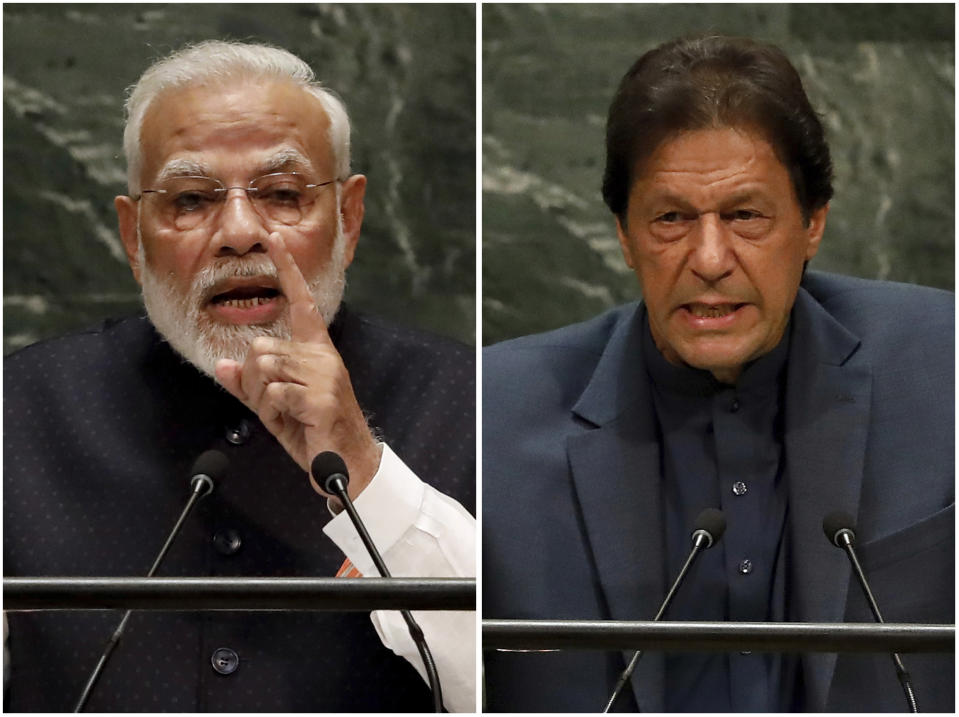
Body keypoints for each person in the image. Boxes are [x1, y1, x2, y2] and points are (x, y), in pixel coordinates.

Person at [483, 35, 953, 712]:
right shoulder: (495, 413)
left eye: (745, 215)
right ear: (623, 234)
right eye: (671, 218)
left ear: (811, 222)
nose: (708, 257)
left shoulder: (944, 367)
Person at [4, 40, 475, 712]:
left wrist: (366, 470)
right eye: (191, 199)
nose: (238, 232)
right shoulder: (16, 413)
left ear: (348, 217)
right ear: (134, 237)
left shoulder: (475, 403)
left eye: (282, 194)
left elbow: (523, 686)